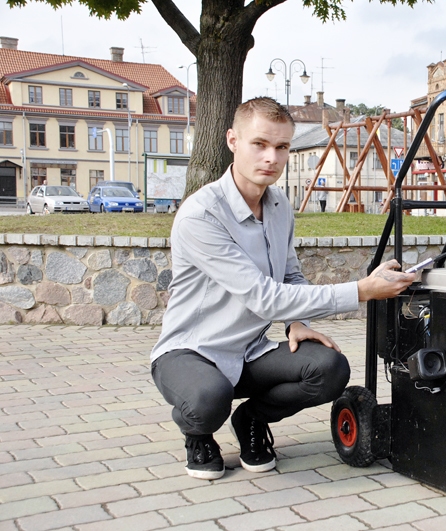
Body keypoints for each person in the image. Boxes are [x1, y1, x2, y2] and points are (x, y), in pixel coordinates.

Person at [150, 97, 415, 480]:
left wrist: (296, 322)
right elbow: (263, 295)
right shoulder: (201, 214)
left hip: (249, 352)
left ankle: (252, 421)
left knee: (329, 367)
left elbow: (288, 275)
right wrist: (361, 290)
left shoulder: (278, 206)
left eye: (282, 147)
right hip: (191, 352)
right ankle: (198, 433)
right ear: (233, 141)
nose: (271, 157)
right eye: (259, 144)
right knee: (208, 400)